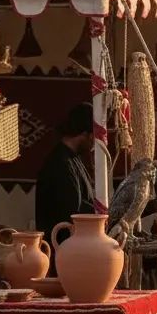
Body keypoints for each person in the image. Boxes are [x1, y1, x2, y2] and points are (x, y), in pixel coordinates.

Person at [35, 103, 96, 248]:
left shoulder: (73, 158)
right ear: (84, 134)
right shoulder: (60, 163)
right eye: (92, 137)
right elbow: (71, 210)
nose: (93, 142)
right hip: (62, 249)